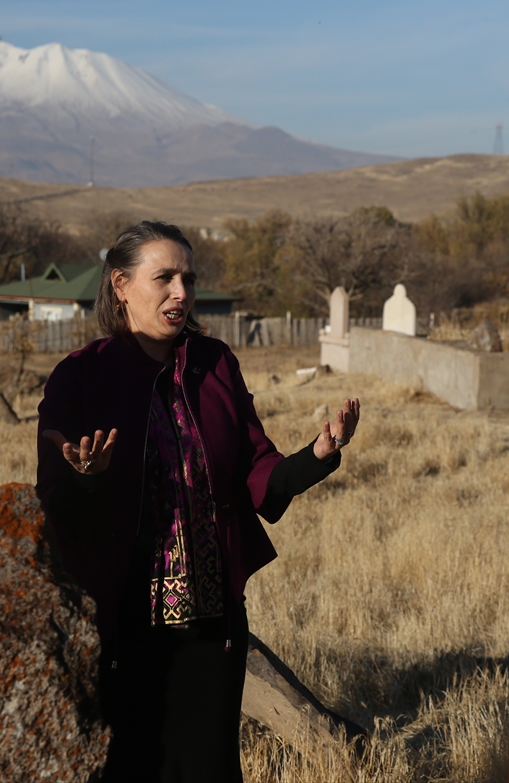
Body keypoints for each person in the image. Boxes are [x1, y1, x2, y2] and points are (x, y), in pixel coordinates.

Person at [36, 221, 360, 782]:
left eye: (188, 277)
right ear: (120, 284)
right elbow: (56, 502)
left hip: (212, 625)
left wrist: (317, 454)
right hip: (121, 624)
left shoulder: (216, 364)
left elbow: (259, 476)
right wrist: (87, 476)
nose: (182, 292)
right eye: (164, 277)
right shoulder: (81, 377)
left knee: (209, 768)